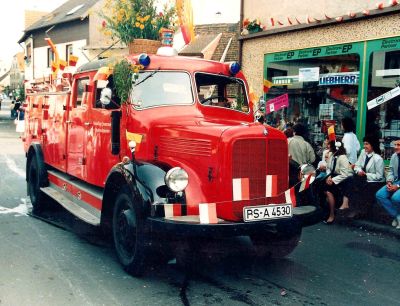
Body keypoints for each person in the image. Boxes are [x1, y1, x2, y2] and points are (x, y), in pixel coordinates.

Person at [345, 136, 385, 217]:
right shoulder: (363, 152)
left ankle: (360, 211)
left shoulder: (378, 158)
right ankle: (353, 208)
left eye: (367, 144)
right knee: (349, 181)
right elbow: (357, 165)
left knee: (363, 187)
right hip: (363, 178)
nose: (364, 146)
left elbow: (379, 176)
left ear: (372, 145)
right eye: (364, 144)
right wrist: (359, 171)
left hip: (375, 182)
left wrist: (365, 175)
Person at [324, 140, 353, 224]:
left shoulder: (343, 157)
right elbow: (329, 168)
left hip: (343, 179)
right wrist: (329, 176)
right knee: (321, 186)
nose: (328, 146)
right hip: (333, 176)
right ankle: (327, 212)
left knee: (328, 190)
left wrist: (332, 180)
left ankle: (332, 214)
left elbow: (344, 174)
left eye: (330, 145)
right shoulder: (331, 155)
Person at [375, 139, 400, 229]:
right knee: (380, 195)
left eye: (399, 145)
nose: (396, 147)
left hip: (398, 184)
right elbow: (390, 170)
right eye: (395, 144)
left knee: (395, 198)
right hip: (395, 181)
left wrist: (397, 186)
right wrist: (389, 181)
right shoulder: (394, 156)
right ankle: (397, 216)